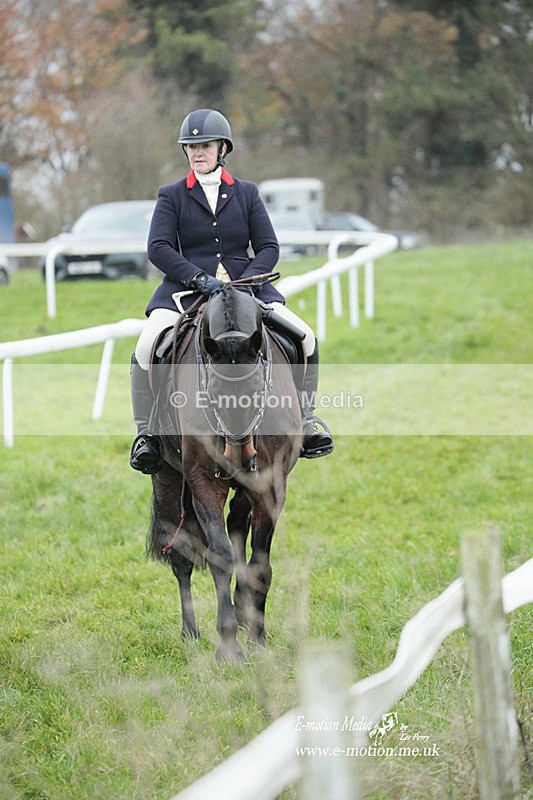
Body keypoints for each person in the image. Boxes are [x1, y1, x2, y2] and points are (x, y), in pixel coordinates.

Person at [130, 108, 333, 474]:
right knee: (146, 347)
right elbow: (158, 247)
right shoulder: (171, 195)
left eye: (205, 146)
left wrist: (248, 283)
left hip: (248, 292)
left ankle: (306, 421)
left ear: (222, 148)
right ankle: (148, 435)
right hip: (186, 294)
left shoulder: (247, 193)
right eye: (191, 147)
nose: (197, 153)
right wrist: (197, 279)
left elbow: (268, 247)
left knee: (305, 337)